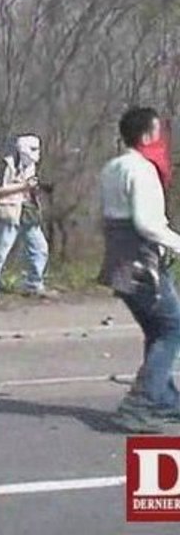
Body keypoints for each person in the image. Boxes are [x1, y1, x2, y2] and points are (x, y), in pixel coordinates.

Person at [100, 107, 180, 432]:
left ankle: (163, 398)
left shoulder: (111, 168)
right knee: (173, 327)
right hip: (142, 264)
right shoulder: (143, 170)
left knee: (158, 328)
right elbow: (148, 224)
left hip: (119, 262)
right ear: (148, 136)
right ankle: (141, 402)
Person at [0, 134, 52, 304]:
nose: (36, 153)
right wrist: (23, 186)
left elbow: (29, 185)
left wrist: (37, 189)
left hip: (27, 212)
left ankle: (33, 284)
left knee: (40, 248)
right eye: (33, 149)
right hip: (8, 212)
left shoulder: (31, 166)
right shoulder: (7, 164)